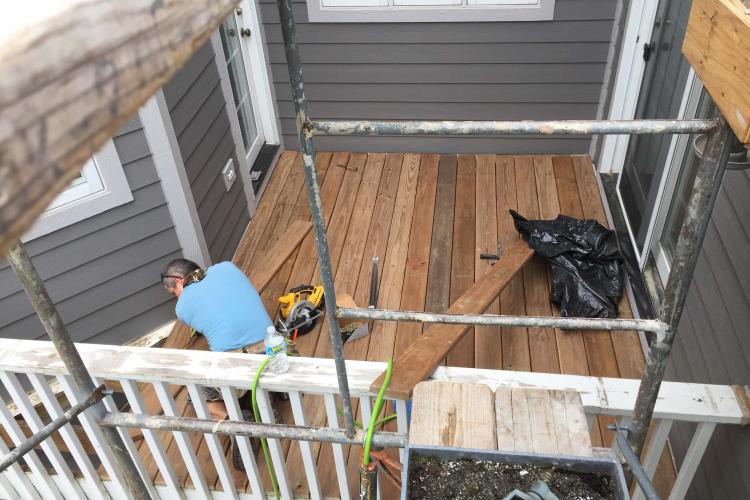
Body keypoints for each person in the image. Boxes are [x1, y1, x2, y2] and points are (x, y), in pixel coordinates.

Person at [161, 258, 273, 469]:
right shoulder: (226, 267)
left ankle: (234, 419)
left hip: (237, 367)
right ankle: (259, 400)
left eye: (174, 291)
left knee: (196, 395)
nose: (176, 297)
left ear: (179, 281)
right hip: (272, 351)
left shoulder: (182, 308)